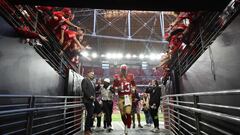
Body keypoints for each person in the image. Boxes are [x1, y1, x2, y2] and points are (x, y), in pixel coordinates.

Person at [113, 64, 136, 135]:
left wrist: (133, 89)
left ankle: (128, 125)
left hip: (128, 97)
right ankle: (126, 125)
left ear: (126, 70)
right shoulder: (117, 77)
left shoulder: (131, 76)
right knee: (122, 114)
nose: (123, 71)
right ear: (120, 70)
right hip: (120, 97)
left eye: (124, 70)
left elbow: (134, 85)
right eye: (122, 70)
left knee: (128, 112)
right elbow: (114, 86)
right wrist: (117, 88)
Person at [81, 71, 96, 135]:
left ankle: (88, 128)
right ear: (88, 74)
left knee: (90, 115)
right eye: (91, 74)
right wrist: (90, 96)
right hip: (87, 100)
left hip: (91, 101)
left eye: (93, 74)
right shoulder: (85, 80)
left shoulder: (91, 82)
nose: (93, 75)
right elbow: (84, 89)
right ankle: (86, 130)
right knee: (89, 115)